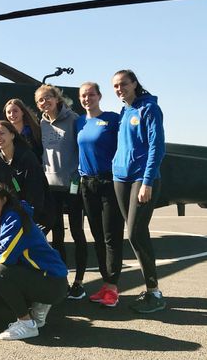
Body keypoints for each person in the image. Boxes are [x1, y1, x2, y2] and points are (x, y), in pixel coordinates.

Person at [0, 183, 68, 341]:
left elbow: (6, 258)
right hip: (42, 276)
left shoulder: (14, 218)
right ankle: (38, 305)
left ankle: (26, 323)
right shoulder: (0, 219)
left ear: (4, 200)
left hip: (54, 282)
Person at [111, 69, 167, 313]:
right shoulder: (125, 111)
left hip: (141, 179)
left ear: (134, 83)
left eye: (123, 84)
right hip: (120, 178)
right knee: (135, 233)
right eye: (115, 86)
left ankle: (155, 292)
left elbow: (157, 146)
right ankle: (150, 289)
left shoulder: (149, 109)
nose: (119, 89)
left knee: (135, 233)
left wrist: (147, 182)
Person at [36, 84, 87, 299]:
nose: (45, 103)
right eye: (40, 100)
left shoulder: (73, 119)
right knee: (58, 237)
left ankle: (79, 281)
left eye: (48, 98)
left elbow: (83, 148)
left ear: (57, 99)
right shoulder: (42, 123)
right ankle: (62, 278)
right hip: (52, 188)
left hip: (73, 186)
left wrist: (78, 175)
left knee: (77, 232)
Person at [76, 82, 125, 308]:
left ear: (99, 96)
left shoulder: (112, 119)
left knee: (111, 236)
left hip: (107, 182)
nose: (87, 98)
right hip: (86, 184)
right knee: (97, 235)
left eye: (91, 94)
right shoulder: (79, 122)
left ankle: (113, 287)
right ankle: (106, 285)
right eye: (84, 96)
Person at [0, 120, 51, 230]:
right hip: (10, 216)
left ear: (12, 135)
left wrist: (28, 219)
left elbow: (36, 193)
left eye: (1, 133)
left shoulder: (27, 157)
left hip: (35, 215)